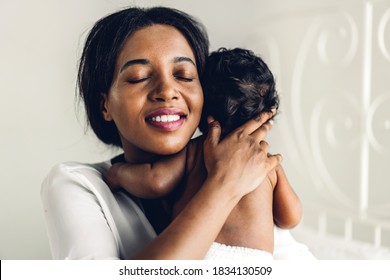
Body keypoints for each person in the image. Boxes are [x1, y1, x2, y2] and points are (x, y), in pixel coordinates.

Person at [41, 6, 314, 260]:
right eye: (138, 77)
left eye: (183, 75)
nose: (167, 91)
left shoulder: (248, 163)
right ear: (105, 105)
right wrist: (224, 185)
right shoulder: (77, 184)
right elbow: (292, 214)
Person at [105, 48, 302, 258]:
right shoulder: (266, 163)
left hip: (202, 249)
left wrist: (118, 174)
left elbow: (156, 180)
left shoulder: (196, 150)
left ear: (202, 107)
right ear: (267, 114)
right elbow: (291, 217)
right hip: (254, 260)